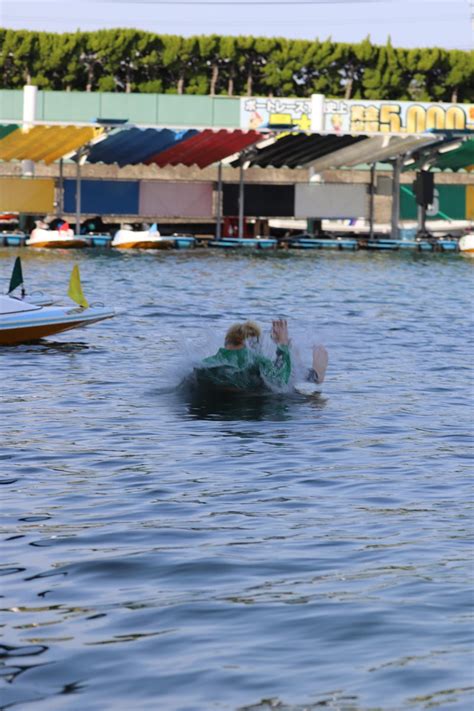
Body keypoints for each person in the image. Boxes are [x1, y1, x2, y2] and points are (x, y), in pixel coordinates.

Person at [193, 319, 292, 393]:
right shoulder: (256, 360)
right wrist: (283, 346)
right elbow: (280, 381)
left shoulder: (206, 363)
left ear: (227, 342)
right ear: (254, 344)